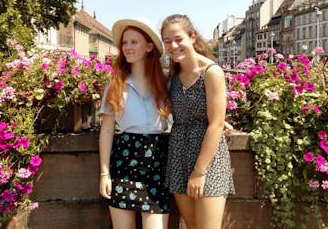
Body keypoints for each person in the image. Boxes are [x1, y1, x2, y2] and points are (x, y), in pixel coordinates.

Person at [161, 14, 235, 229]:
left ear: (192, 37)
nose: (173, 46)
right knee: (192, 225)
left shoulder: (212, 72)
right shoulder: (173, 75)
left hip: (207, 160)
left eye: (178, 39)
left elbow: (214, 124)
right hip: (177, 154)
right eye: (167, 41)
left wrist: (199, 171)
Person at [99, 17, 171, 229]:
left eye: (134, 42)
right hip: (124, 161)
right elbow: (106, 130)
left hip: (157, 163)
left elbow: (186, 112)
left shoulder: (165, 83)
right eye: (125, 42)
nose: (128, 47)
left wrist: (218, 121)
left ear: (149, 47)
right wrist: (105, 174)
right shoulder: (116, 83)